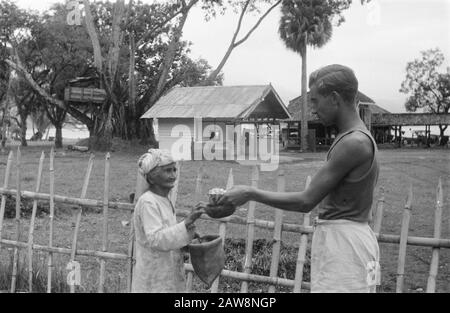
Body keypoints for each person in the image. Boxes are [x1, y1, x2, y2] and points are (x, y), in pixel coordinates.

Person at [217, 64, 381, 293]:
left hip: (346, 247)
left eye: (315, 100)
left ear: (334, 98)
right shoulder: (357, 137)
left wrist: (249, 192)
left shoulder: (353, 143)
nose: (312, 109)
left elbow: (306, 201)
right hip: (352, 242)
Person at [131, 149, 204, 293]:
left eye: (174, 170)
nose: (173, 175)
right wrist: (186, 223)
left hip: (166, 276)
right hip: (153, 279)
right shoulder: (148, 202)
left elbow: (166, 234)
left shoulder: (163, 200)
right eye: (167, 171)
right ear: (152, 178)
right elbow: (156, 239)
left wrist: (187, 238)